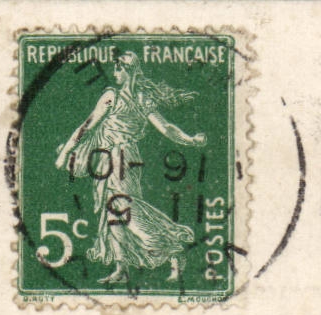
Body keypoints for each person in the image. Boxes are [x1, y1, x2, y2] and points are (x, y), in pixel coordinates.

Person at [54, 52, 207, 284]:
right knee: (113, 211)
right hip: (110, 159)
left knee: (123, 208)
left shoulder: (117, 97)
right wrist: (191, 139)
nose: (114, 73)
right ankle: (122, 268)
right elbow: (89, 127)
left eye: (118, 69)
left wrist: (190, 140)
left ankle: (172, 247)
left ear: (128, 70)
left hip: (121, 159)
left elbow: (165, 128)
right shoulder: (129, 97)